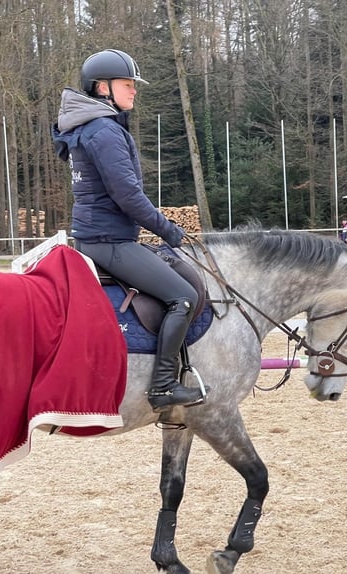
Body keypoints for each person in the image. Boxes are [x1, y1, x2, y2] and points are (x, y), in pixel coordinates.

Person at [51, 49, 206, 413]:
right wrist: (169, 231)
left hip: (101, 235)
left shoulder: (89, 127)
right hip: (109, 241)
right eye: (127, 84)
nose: (134, 91)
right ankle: (164, 386)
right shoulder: (103, 129)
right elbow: (128, 196)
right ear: (102, 87)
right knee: (182, 297)